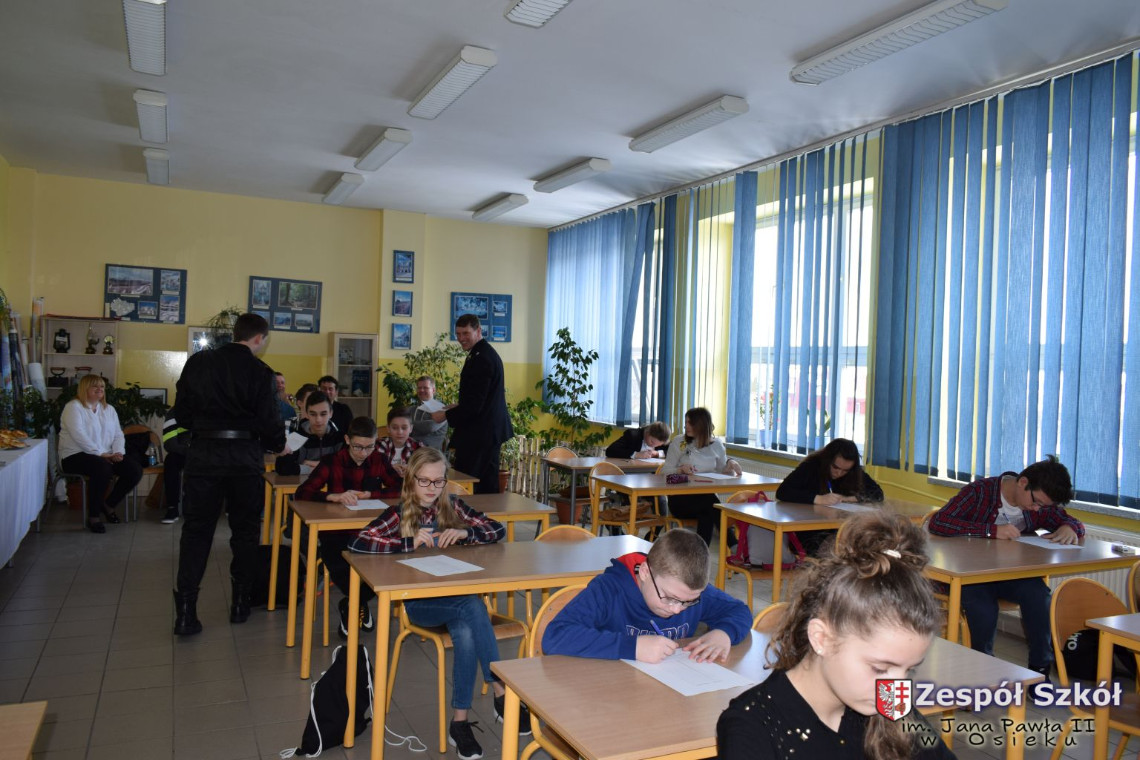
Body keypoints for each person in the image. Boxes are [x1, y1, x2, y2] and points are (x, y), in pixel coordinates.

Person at [716, 512, 953, 760]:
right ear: (821, 638)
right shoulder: (752, 727)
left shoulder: (887, 701)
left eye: (909, 671)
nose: (896, 688)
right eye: (880, 669)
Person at [349, 447, 530, 759]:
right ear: (410, 480)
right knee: (472, 607)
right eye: (424, 481)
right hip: (420, 605)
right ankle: (500, 689)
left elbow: (497, 529)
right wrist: (407, 542)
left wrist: (464, 532)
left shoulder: (453, 506)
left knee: (466, 628)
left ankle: (459, 722)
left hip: (457, 599)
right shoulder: (398, 514)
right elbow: (359, 541)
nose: (432, 488)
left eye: (438, 481)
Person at [171, 313, 286, 636]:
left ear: (235, 333)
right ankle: (240, 604)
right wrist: (278, 444)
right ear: (259, 339)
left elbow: (182, 415)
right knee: (245, 532)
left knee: (196, 532)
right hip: (244, 461)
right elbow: (270, 422)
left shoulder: (198, 363)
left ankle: (185, 612)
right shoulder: (261, 372)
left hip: (204, 457)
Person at [927, 456, 1082, 675]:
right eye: (1036, 502)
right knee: (984, 608)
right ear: (1023, 482)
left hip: (1009, 575)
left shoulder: (1040, 505)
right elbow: (939, 522)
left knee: (1039, 596)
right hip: (970, 574)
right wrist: (991, 530)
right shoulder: (980, 492)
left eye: (1042, 506)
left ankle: (1040, 670)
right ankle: (982, 670)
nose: (1036, 509)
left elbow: (1070, 520)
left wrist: (1070, 527)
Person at [542, 528, 751, 662]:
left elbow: (739, 610)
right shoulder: (609, 590)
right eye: (669, 598)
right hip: (609, 696)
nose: (677, 609)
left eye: (688, 602)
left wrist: (724, 633)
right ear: (644, 572)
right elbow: (555, 636)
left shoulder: (689, 593)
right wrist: (632, 647)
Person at [295, 415, 402, 637]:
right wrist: (332, 496)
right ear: (346, 440)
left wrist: (371, 494)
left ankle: (350, 604)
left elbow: (400, 488)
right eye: (358, 447)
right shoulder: (331, 461)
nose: (363, 453)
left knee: (389, 568)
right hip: (337, 533)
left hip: (372, 531)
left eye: (369, 447)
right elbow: (302, 492)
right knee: (338, 563)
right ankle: (357, 604)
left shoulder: (379, 460)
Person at [431, 315, 512, 494]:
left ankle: (474, 513)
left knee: (472, 484)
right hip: (484, 432)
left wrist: (445, 415)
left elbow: (475, 405)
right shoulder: (480, 353)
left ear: (478, 331)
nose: (461, 338)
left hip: (481, 434)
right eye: (458, 334)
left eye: (466, 333)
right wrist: (458, 406)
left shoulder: (482, 358)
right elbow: (480, 398)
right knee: (483, 483)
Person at [58, 374, 143, 533]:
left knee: (134, 469)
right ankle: (94, 516)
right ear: (84, 389)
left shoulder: (109, 409)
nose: (100, 389)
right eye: (95, 386)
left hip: (106, 455)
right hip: (74, 455)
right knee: (102, 468)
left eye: (102, 387)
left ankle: (108, 505)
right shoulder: (73, 407)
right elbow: (79, 436)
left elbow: (118, 434)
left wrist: (118, 452)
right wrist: (101, 454)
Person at [775, 438, 884, 555]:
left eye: (845, 470)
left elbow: (878, 494)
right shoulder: (810, 467)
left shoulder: (853, 472)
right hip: (810, 534)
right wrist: (818, 499)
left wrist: (846, 498)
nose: (839, 473)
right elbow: (783, 491)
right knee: (844, 551)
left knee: (868, 545)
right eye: (835, 467)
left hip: (839, 531)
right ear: (827, 460)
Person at [660, 407, 742, 544]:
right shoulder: (679, 442)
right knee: (712, 505)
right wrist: (680, 470)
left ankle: (701, 553)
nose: (686, 426)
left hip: (705, 499)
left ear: (701, 425)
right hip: (680, 499)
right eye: (686, 422)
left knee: (708, 511)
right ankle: (733, 544)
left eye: (690, 423)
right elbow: (665, 471)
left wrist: (730, 463)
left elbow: (723, 471)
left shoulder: (716, 444)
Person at [274, 390, 342, 476]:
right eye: (313, 414)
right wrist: (310, 469)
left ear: (331, 413)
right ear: (307, 414)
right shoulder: (297, 436)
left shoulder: (339, 437)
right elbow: (282, 467)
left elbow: (347, 465)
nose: (318, 420)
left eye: (323, 414)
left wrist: (314, 464)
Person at [376, 406, 422, 480]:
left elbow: (426, 469)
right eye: (394, 428)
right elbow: (372, 470)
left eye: (404, 428)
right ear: (388, 428)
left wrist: (411, 470)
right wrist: (389, 469)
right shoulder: (378, 445)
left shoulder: (418, 447)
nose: (400, 432)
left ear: (411, 428)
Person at [160, 408, 189, 524]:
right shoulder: (174, 412)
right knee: (171, 461)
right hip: (182, 452)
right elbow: (169, 443)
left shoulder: (208, 408)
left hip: (204, 453)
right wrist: (190, 451)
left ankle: (194, 504)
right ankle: (172, 507)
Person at [411, 375, 448, 450]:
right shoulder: (413, 409)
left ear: (433, 390)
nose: (421, 390)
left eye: (425, 388)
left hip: (431, 453)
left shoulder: (441, 409)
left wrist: (408, 424)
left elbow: (430, 427)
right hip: (411, 451)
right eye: (419, 388)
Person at [605, 421, 671, 460]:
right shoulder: (632, 435)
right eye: (652, 442)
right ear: (647, 432)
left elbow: (672, 452)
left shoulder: (662, 439)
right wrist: (636, 454)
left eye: (658, 445)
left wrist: (658, 453)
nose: (653, 446)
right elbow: (610, 450)